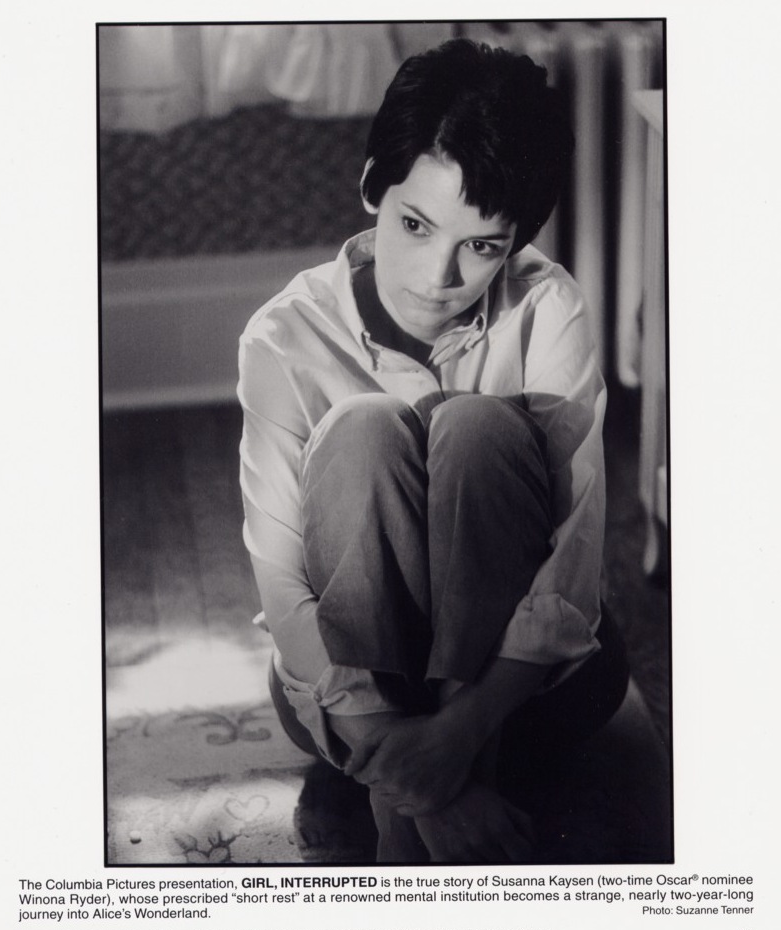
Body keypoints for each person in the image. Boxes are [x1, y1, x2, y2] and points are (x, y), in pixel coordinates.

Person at [238, 39, 660, 863]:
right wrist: (406, 763)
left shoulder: (548, 308)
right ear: (373, 186)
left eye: (483, 246)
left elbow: (576, 555)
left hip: (528, 693)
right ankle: (406, 799)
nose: (439, 276)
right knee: (363, 428)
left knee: (476, 426)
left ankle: (409, 786)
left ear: (517, 242)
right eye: (416, 225)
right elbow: (281, 580)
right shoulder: (283, 339)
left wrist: (458, 733)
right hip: (349, 691)